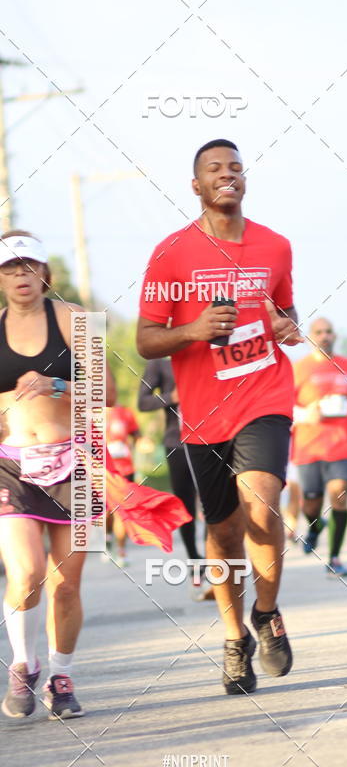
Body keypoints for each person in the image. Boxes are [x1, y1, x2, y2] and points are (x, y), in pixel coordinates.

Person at [137, 139, 303, 695]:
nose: (227, 174)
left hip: (266, 393)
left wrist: (286, 324)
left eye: (235, 166)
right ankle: (235, 641)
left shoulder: (275, 245)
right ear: (196, 185)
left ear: (244, 180)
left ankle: (267, 612)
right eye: (214, 168)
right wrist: (194, 330)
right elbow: (146, 340)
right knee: (225, 531)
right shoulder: (170, 254)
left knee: (262, 498)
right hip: (204, 411)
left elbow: (285, 306)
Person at [0, 230, 116, 719]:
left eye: (28, 267)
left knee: (65, 586)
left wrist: (58, 382)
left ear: (45, 274)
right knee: (25, 572)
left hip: (77, 464)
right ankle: (23, 665)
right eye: (9, 268)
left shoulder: (76, 321)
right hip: (12, 465)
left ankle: (61, 676)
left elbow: (107, 391)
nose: (20, 277)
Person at [292, 317, 347, 576]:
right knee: (311, 503)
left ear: (334, 335)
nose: (324, 336)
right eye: (319, 332)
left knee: (339, 493)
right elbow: (283, 406)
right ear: (310, 337)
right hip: (308, 447)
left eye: (328, 331)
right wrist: (305, 415)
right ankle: (315, 527)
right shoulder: (298, 369)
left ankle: (335, 558)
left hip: (342, 445)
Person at [138, 357, 211, 598]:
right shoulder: (159, 363)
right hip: (177, 443)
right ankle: (195, 561)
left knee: (214, 502)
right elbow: (143, 402)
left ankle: (214, 561)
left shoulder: (204, 351)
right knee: (186, 506)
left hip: (212, 437)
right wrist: (171, 397)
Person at [105, 403, 140, 566]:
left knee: (122, 510)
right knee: (106, 512)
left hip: (125, 469)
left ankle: (121, 551)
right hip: (102, 471)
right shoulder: (89, 412)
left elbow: (137, 436)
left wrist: (138, 445)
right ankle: (107, 540)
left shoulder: (125, 413)